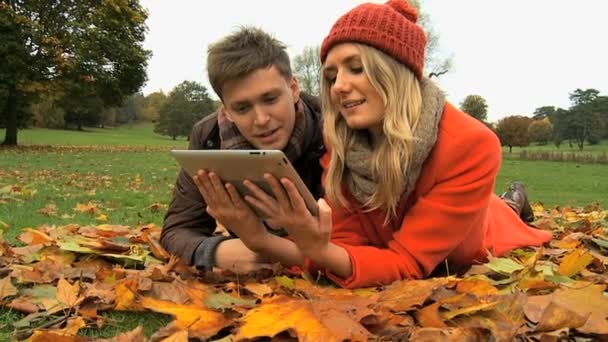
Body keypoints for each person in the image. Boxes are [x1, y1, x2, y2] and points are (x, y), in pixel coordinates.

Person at [241, 0, 552, 288]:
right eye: (332, 76)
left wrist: (319, 251)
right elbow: (345, 248)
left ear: (395, 70)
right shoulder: (341, 144)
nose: (339, 87)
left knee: (503, 212)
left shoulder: (472, 145)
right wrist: (266, 240)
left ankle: (514, 199)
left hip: (479, 232)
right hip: (419, 230)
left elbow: (407, 261)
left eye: (356, 68)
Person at [160, 27, 325, 273]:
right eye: (242, 108)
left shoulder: (332, 128)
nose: (261, 119)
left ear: (293, 89)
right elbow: (177, 228)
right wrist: (213, 250)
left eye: (270, 99)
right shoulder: (209, 138)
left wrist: (271, 243)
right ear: (225, 110)